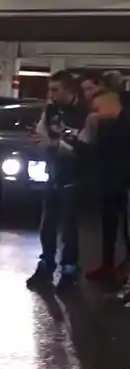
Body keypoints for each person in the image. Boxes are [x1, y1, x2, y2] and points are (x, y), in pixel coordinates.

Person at [26, 70, 90, 291]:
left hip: (76, 176)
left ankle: (69, 270)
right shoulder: (50, 110)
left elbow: (84, 148)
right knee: (48, 224)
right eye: (49, 89)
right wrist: (40, 142)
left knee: (70, 226)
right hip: (53, 173)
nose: (51, 94)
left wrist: (54, 144)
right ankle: (46, 265)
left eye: (56, 89)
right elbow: (41, 135)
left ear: (69, 90)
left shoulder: (86, 114)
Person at [81, 89, 130, 282]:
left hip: (123, 182)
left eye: (98, 108)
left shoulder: (124, 124)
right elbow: (96, 150)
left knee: (126, 228)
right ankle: (108, 266)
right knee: (109, 226)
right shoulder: (105, 125)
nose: (96, 113)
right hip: (111, 182)